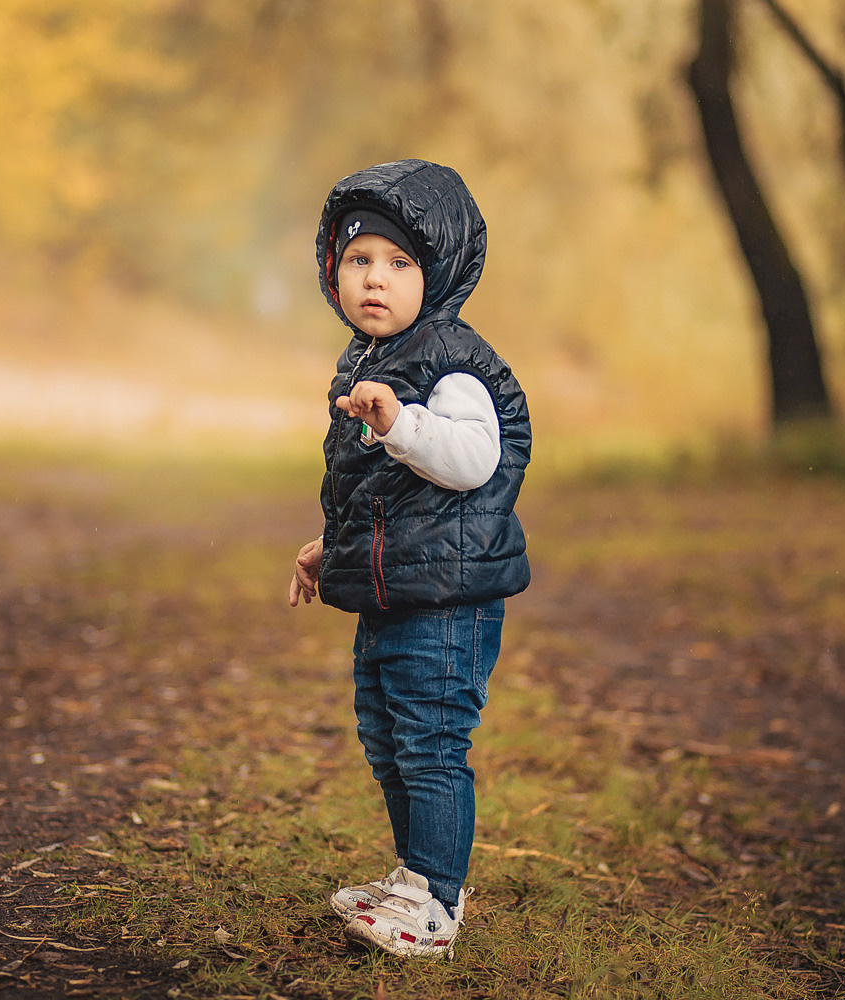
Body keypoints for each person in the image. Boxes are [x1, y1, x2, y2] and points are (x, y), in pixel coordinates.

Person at [288, 159, 531, 960]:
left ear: (439, 272)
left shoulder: (450, 360)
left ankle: (437, 901)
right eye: (359, 260)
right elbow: (384, 493)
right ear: (334, 272)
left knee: (430, 741)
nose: (375, 280)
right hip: (396, 593)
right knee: (388, 736)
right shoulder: (368, 361)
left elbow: (470, 462)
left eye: (398, 263)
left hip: (447, 603)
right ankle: (415, 877)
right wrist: (333, 547)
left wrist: (401, 422)